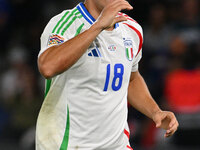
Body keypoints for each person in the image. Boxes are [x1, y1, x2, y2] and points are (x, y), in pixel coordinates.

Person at [37, 0, 179, 149]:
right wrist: (98, 26)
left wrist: (155, 112)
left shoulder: (132, 29)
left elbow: (130, 79)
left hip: (116, 145)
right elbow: (47, 67)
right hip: (68, 144)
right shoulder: (66, 24)